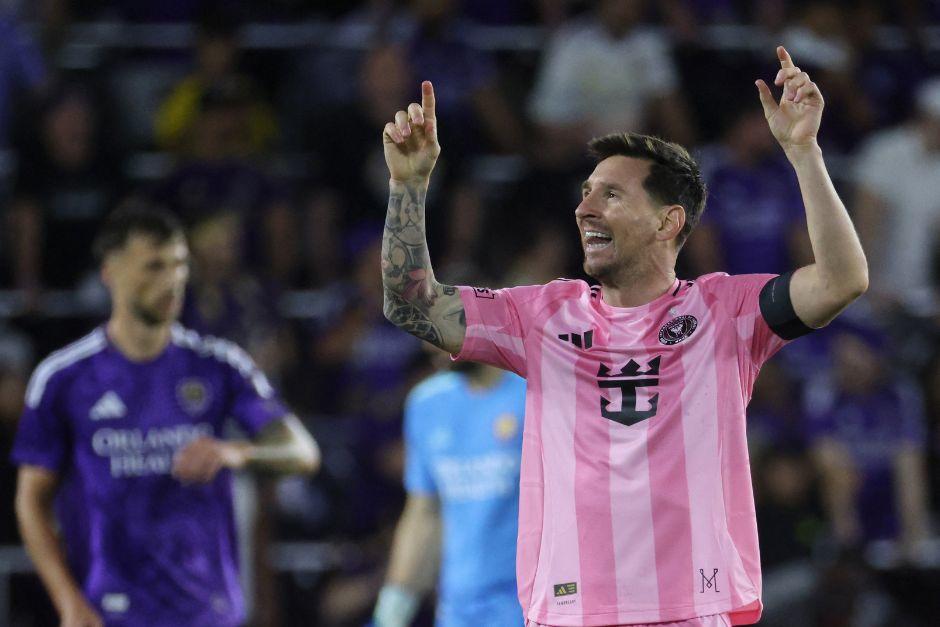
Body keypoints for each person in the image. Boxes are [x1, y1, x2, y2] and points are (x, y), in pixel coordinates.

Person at [379, 46, 868, 626]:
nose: (584, 209)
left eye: (610, 194)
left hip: (691, 611)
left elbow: (841, 280)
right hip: (571, 614)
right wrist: (408, 185)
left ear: (667, 221)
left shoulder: (725, 312)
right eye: (585, 192)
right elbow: (411, 305)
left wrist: (805, 152)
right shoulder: (540, 317)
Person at [12, 207, 320, 627]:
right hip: (108, 612)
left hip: (207, 612)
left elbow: (302, 452)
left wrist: (236, 453)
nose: (172, 280)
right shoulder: (64, 378)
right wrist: (67, 600)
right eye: (155, 266)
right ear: (111, 272)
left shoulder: (219, 364)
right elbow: (31, 499)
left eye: (179, 264)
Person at [373, 358, 527, 627]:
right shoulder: (426, 403)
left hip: (527, 604)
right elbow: (425, 513)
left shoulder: (534, 394)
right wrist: (391, 613)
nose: (431, 344)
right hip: (457, 610)